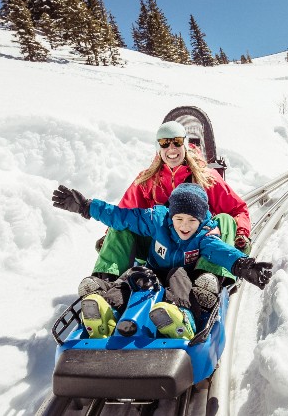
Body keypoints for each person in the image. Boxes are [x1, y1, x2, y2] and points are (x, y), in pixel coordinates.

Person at [52, 182, 272, 340]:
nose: (185, 226)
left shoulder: (204, 235)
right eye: (179, 219)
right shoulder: (156, 220)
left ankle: (182, 319)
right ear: (170, 216)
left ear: (201, 219)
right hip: (153, 271)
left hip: (183, 278)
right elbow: (121, 216)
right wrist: (86, 207)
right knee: (130, 278)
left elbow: (222, 251)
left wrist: (245, 265)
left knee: (178, 277)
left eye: (191, 221)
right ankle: (105, 311)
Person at [92, 121, 252, 285]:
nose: (171, 148)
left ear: (185, 144)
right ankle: (104, 279)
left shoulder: (207, 178)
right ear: (158, 147)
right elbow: (124, 212)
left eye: (177, 142)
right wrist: (109, 238)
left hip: (197, 250)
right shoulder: (147, 180)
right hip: (158, 251)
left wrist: (240, 233)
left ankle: (209, 278)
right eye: (164, 143)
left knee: (225, 219)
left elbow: (238, 209)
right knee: (121, 225)